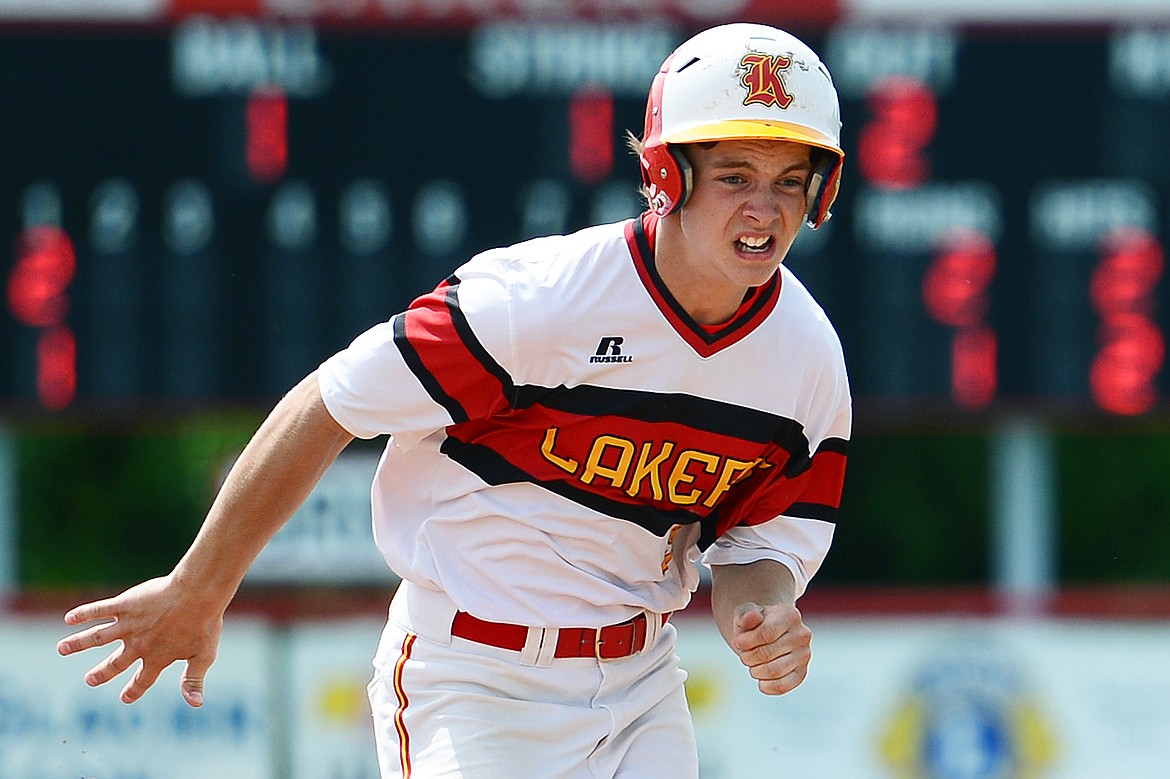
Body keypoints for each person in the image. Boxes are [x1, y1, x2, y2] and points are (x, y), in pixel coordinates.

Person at [58, 22, 851, 778]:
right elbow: (329, 403)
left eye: (789, 181)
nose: (766, 208)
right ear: (669, 175)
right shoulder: (539, 302)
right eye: (736, 176)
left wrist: (766, 610)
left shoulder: (804, 359)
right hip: (473, 678)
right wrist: (200, 586)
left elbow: (759, 545)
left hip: (642, 683)